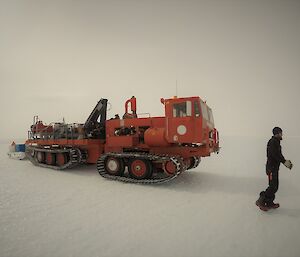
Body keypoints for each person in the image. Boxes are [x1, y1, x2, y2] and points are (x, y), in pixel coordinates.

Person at [256, 127, 293, 211]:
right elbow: (275, 155)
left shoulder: (276, 142)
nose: (282, 134)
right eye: (281, 133)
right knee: (273, 186)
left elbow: (278, 154)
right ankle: (261, 201)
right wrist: (284, 162)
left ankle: (269, 203)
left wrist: (285, 162)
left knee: (274, 186)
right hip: (271, 168)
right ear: (277, 133)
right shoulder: (273, 142)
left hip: (274, 168)